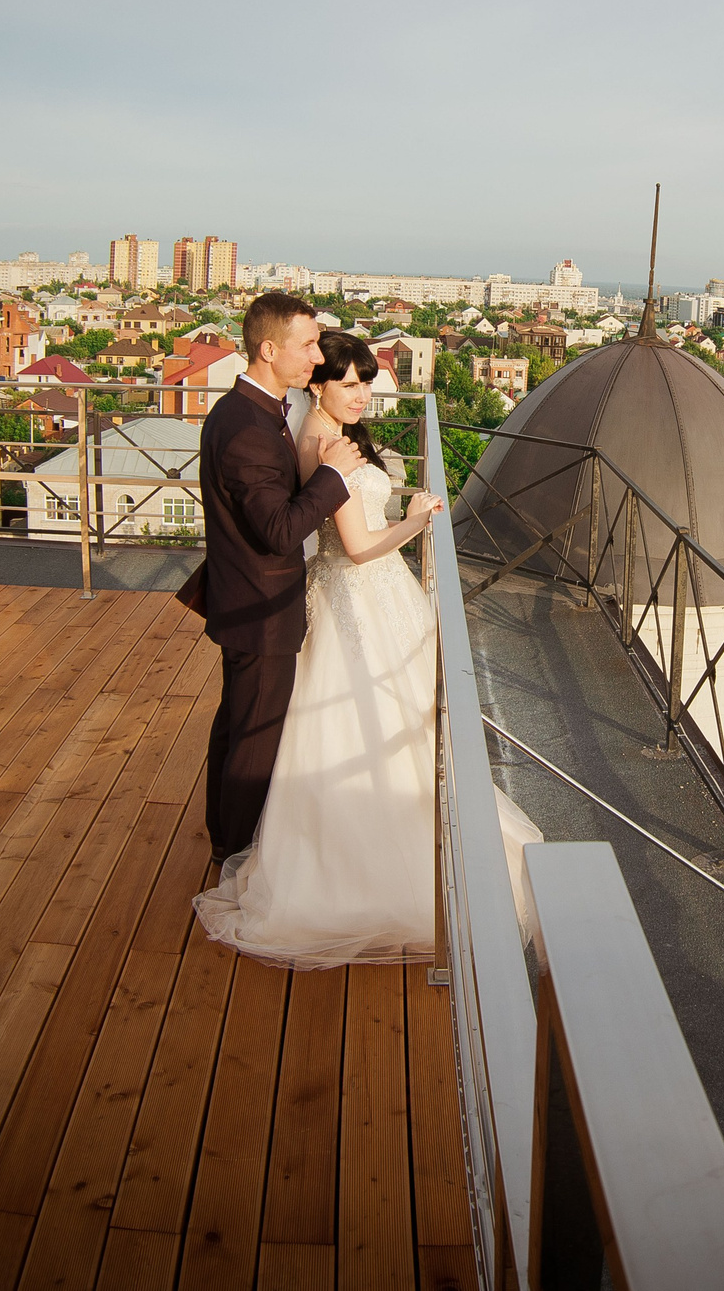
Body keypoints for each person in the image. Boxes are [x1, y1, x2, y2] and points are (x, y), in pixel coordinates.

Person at [195, 327, 539, 967]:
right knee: (373, 722)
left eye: (366, 383)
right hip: (358, 594)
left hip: (367, 597)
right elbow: (356, 547)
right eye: (347, 383)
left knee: (395, 723)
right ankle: (367, 871)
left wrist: (399, 505)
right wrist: (417, 519)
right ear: (317, 384)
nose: (360, 395)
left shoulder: (327, 436)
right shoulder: (323, 443)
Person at [196, 291, 365, 857]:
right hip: (260, 608)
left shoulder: (249, 410)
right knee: (254, 739)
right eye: (308, 345)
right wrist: (333, 477)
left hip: (244, 598)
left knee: (238, 724)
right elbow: (277, 530)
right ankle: (236, 853)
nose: (317, 357)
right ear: (269, 349)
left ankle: (223, 833)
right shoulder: (248, 427)